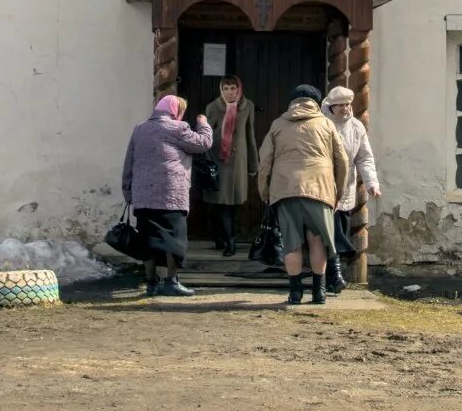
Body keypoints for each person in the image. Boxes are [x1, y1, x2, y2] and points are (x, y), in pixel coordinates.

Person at [257, 84, 350, 305]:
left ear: (292, 102)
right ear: (317, 103)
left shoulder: (278, 124)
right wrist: (339, 191)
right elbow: (343, 161)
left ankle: (295, 293)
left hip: (285, 189)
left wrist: (265, 191)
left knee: (292, 243)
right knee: (317, 241)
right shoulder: (326, 124)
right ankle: (319, 293)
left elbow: (265, 161)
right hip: (320, 189)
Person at [122, 95, 213, 297]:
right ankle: (171, 282)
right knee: (175, 239)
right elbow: (203, 143)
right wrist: (203, 124)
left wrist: (128, 191)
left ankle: (151, 283)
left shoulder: (140, 128)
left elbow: (130, 161)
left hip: (144, 196)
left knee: (148, 239)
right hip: (171, 195)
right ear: (175, 110)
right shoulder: (179, 128)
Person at [321, 86, 379, 295]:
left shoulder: (356, 127)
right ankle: (334, 276)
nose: (346, 108)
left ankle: (330, 276)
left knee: (338, 231)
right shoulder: (322, 124)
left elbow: (364, 156)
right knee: (330, 233)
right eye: (341, 105)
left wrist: (372, 182)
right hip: (323, 187)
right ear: (331, 106)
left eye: (348, 104)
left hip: (346, 188)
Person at [203, 76, 258, 257]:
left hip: (239, 162)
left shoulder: (247, 106)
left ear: (238, 89)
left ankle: (222, 237)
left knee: (234, 204)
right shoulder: (213, 107)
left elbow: (250, 134)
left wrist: (253, 163)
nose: (229, 92)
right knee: (222, 204)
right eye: (226, 88)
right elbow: (206, 135)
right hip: (219, 160)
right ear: (221, 90)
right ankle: (230, 242)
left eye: (233, 88)